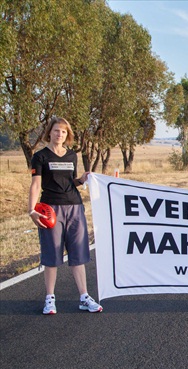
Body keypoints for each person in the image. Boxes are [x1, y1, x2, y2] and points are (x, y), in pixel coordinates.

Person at [28, 116, 103, 315]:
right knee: (52, 254)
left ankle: (84, 297)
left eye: (63, 131)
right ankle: (50, 299)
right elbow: (36, 184)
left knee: (78, 253)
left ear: (67, 135)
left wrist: (82, 179)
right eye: (56, 131)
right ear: (49, 133)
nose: (59, 134)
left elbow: (70, 182)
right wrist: (31, 210)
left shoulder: (71, 156)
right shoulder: (40, 156)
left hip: (75, 207)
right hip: (51, 209)